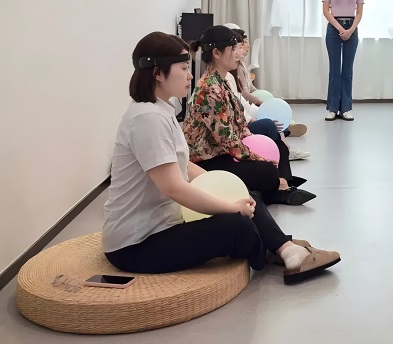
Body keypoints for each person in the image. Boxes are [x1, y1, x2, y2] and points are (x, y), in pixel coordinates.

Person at [102, 31, 340, 284]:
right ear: (157, 73)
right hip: (136, 244)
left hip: (162, 225)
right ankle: (281, 249)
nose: (190, 75)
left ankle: (284, 248)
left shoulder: (161, 110)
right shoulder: (147, 119)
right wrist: (230, 206)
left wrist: (226, 188)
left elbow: (183, 165)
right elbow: (174, 187)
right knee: (237, 225)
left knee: (243, 193)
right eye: (184, 68)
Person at [183, 25, 315, 206]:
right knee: (266, 170)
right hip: (208, 160)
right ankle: (278, 187)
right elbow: (227, 140)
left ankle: (277, 188)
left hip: (222, 151)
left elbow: (239, 125)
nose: (238, 54)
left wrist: (257, 150)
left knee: (279, 148)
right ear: (217, 53)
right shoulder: (209, 89)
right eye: (233, 49)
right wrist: (258, 158)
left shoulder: (221, 82)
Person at [225, 27, 311, 160]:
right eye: (239, 47)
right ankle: (286, 146)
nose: (241, 52)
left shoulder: (236, 70)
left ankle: (286, 139)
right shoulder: (226, 77)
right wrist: (258, 107)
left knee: (273, 120)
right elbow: (240, 102)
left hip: (246, 115)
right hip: (241, 122)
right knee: (270, 122)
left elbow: (241, 100)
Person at [322, 0, 364, 121]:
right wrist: (340, 28)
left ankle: (346, 108)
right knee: (334, 70)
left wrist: (351, 30)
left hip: (352, 27)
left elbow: (359, 13)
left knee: (347, 70)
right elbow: (326, 11)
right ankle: (333, 108)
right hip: (334, 28)